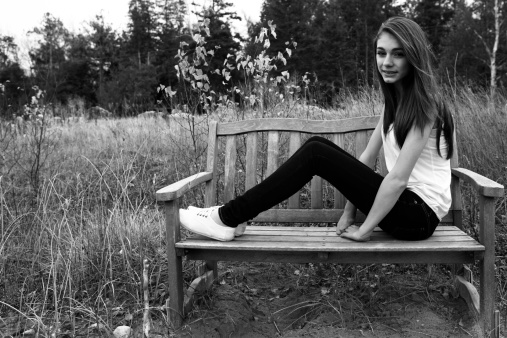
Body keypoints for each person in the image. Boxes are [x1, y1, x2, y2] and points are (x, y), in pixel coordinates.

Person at [179, 16, 454, 243]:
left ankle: (227, 217)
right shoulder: (395, 101)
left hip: (419, 216)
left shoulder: (425, 108)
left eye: (398, 54)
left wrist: (364, 230)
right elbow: (368, 157)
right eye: (381, 53)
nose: (387, 63)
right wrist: (349, 211)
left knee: (315, 153)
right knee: (316, 148)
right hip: (403, 207)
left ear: (413, 57)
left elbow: (397, 180)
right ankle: (232, 218)